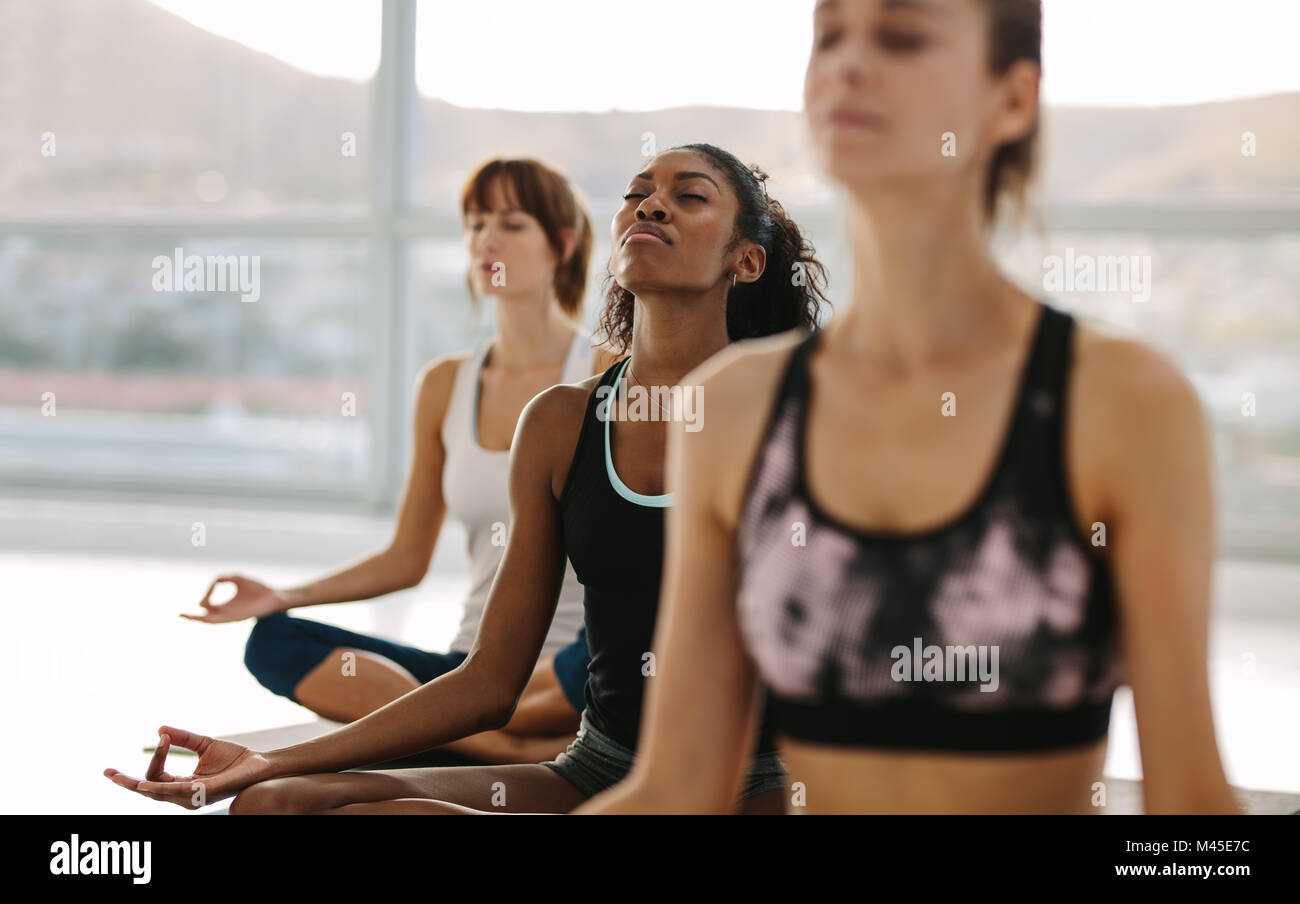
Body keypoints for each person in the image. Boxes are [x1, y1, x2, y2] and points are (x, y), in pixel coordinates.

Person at [579, 0, 1239, 814]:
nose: (848, 63)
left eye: (902, 36)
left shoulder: (1125, 401)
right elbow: (676, 790)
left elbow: (1195, 815)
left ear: (1012, 99)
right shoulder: (730, 408)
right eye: (829, 36)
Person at [105, 143, 829, 813]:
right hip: (594, 767)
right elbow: (488, 681)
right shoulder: (560, 422)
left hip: (750, 784)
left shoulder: (790, 416)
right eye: (638, 193)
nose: (650, 205)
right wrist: (271, 761)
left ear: (747, 261)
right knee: (277, 803)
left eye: (689, 197)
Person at [181, 158, 614, 765]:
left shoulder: (606, 375)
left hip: (575, 667)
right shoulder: (444, 384)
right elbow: (407, 557)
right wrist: (283, 594)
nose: (487, 239)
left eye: (512, 224)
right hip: (471, 665)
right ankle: (495, 745)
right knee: (275, 641)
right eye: (476, 222)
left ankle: (448, 730)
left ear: (561, 244)